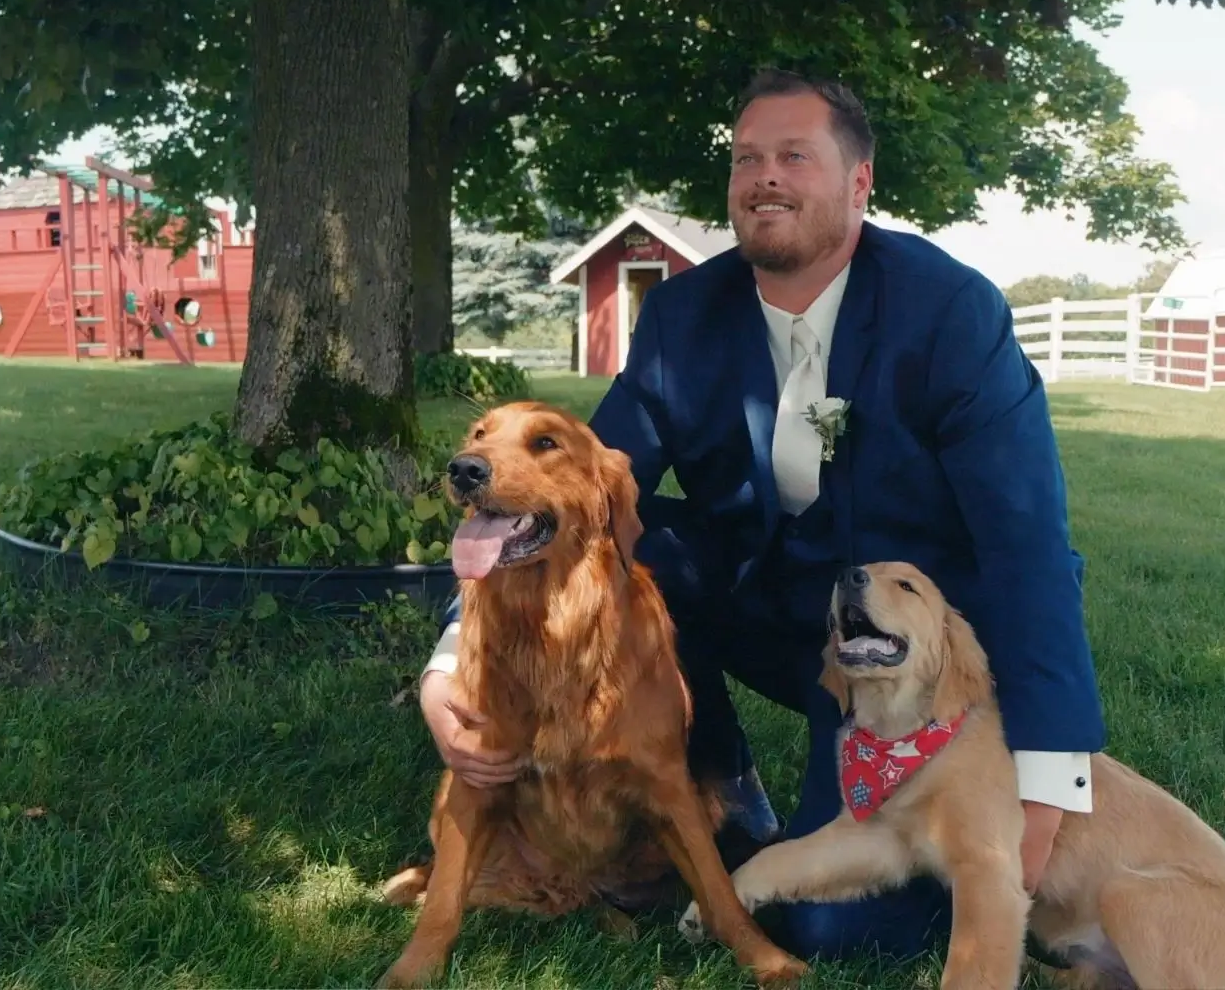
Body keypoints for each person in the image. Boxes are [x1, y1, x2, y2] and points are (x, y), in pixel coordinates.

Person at [417, 68, 1106, 959]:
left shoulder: (948, 312)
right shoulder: (680, 318)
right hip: (753, 605)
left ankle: (927, 809)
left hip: (890, 649)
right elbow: (576, 492)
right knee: (638, 547)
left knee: (838, 928)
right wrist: (450, 667)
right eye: (746, 158)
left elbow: (1027, 547)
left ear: (860, 183)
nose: (763, 176)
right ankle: (717, 778)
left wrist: (1049, 780)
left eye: (793, 155)